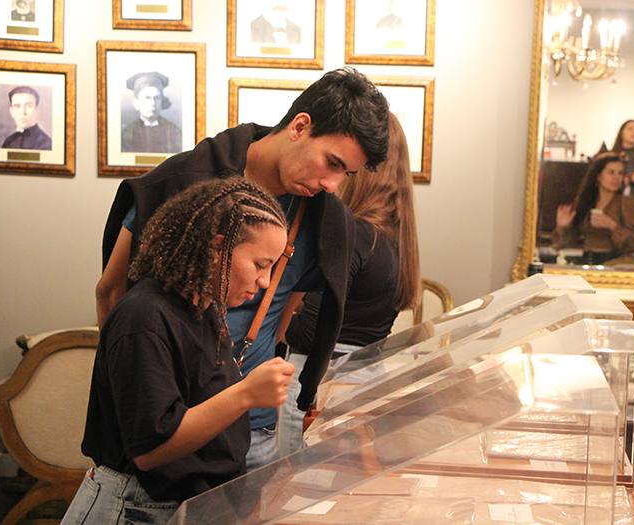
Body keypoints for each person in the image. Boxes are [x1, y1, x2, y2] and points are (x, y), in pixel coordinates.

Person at [95, 67, 390, 471]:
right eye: (332, 162)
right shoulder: (181, 182)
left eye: (345, 173)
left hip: (254, 430)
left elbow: (287, 308)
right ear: (300, 127)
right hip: (169, 425)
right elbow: (112, 292)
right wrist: (131, 402)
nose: (333, 184)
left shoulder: (325, 219)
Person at [60, 179, 295, 525]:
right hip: (135, 509)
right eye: (260, 265)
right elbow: (150, 450)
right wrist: (246, 394)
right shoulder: (144, 317)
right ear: (218, 247)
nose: (264, 281)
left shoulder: (203, 310)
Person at [276, 113, 421, 456]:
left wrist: (276, 317)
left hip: (321, 384)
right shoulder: (394, 238)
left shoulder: (354, 234)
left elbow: (310, 333)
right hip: (366, 377)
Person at [553, 155, 634, 265]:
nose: (616, 178)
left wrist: (612, 225)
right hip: (587, 261)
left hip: (615, 263)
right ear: (599, 176)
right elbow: (565, 243)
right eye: (611, 172)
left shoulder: (626, 202)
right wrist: (562, 227)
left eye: (620, 173)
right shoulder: (587, 201)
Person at [121, 72, 182, 154]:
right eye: (147, 98)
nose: (153, 103)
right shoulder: (127, 133)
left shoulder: (173, 132)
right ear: (136, 103)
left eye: (156, 98)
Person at [1, 86, 51, 150]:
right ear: (11, 111)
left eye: (29, 106)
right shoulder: (8, 142)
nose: (23, 112)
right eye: (17, 106)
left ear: (37, 110)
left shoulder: (47, 144)